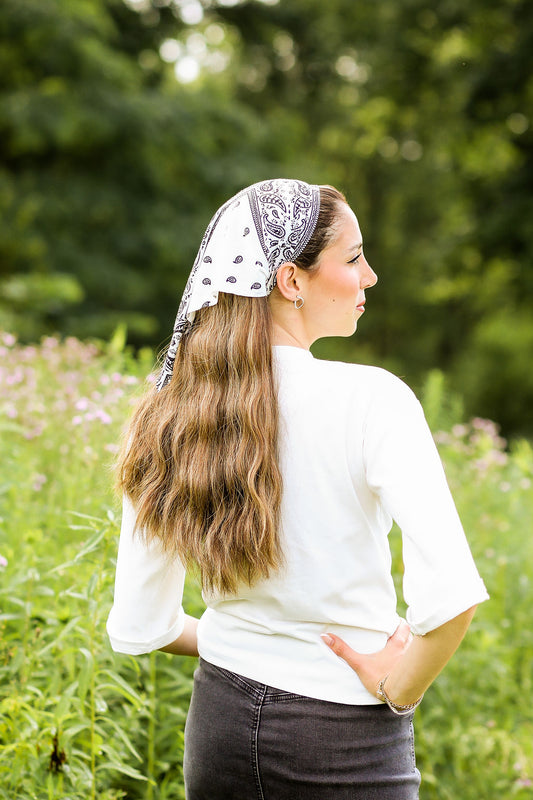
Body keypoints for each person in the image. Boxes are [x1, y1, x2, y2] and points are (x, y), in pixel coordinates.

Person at [106, 178, 489, 799]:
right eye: (353, 257)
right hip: (344, 740)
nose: (369, 277)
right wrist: (399, 687)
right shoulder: (373, 400)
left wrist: (256, 638)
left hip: (220, 730)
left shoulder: (171, 412)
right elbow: (452, 600)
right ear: (291, 280)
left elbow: (142, 625)